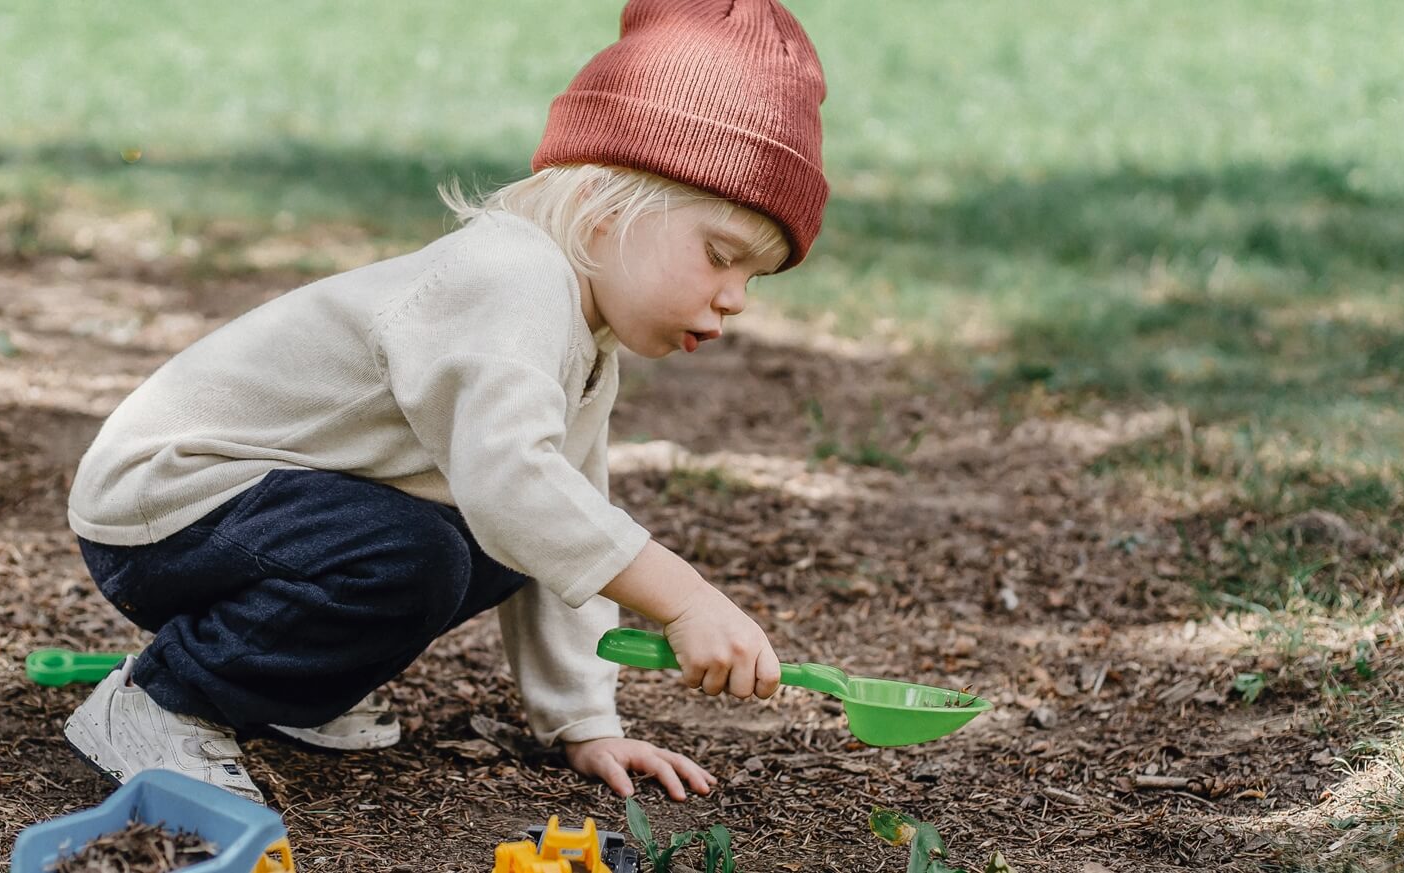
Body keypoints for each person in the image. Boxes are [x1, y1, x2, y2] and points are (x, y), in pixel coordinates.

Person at [61, 0, 829, 804]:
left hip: (264, 513)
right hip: (166, 505)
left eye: (752, 278)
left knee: (510, 540)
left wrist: (584, 721)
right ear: (607, 215)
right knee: (421, 555)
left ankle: (285, 685)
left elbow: (565, 526)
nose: (736, 298)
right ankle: (162, 702)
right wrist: (685, 597)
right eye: (720, 256)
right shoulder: (509, 280)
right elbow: (514, 486)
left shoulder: (585, 341)